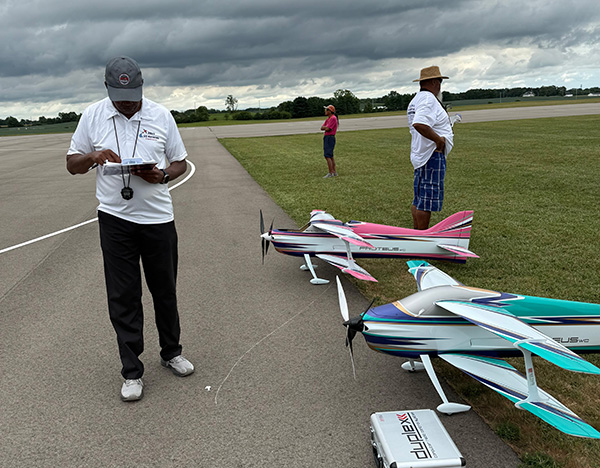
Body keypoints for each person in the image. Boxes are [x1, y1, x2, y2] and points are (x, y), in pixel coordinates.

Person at [66, 56, 194, 402]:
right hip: (115, 220)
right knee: (123, 296)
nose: (128, 102)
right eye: (120, 96)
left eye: (133, 95)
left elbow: (180, 161)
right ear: (108, 89)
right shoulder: (92, 116)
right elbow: (71, 164)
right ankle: (132, 371)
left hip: (157, 218)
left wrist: (163, 175)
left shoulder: (161, 115)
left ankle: (171, 352)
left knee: (164, 290)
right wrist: (93, 157)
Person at [407, 66, 454, 230]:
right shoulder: (428, 99)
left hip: (422, 154)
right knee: (426, 201)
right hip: (431, 155)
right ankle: (422, 238)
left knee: (419, 199)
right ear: (435, 82)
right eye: (440, 82)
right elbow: (420, 123)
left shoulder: (417, 99)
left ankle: (416, 234)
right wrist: (439, 141)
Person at [320, 104, 339, 178]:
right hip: (327, 137)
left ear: (330, 111)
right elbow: (322, 127)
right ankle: (333, 172)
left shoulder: (333, 118)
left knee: (328, 155)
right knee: (330, 155)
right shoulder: (328, 119)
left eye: (326, 110)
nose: (325, 111)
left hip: (330, 137)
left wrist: (325, 127)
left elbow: (328, 128)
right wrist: (325, 127)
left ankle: (331, 172)